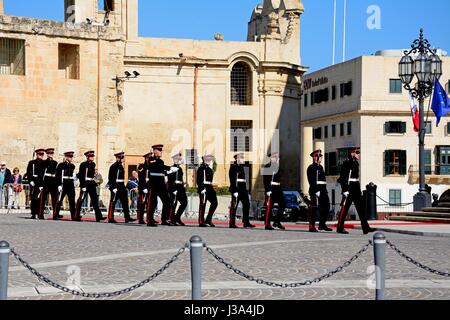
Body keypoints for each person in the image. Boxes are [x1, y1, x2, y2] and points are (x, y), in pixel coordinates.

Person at [336, 147, 375, 235]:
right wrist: (345, 190)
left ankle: (366, 228)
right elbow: (343, 177)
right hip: (349, 188)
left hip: (356, 187)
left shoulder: (356, 163)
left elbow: (355, 178)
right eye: (357, 152)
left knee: (361, 208)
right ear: (352, 153)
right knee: (345, 209)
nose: (359, 154)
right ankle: (340, 227)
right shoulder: (346, 163)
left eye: (359, 152)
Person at [147, 145, 179, 227]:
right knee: (152, 203)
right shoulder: (151, 159)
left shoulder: (161, 161)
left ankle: (164, 219)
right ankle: (150, 221)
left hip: (161, 183)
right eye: (159, 150)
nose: (161, 152)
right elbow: (157, 167)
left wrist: (168, 171)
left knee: (167, 201)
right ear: (154, 151)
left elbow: (161, 170)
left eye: (161, 150)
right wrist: (170, 168)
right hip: (153, 183)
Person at [75, 151, 105, 222]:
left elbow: (92, 175)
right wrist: (83, 185)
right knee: (81, 200)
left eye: (93, 156)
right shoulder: (83, 164)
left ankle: (99, 216)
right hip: (85, 184)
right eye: (91, 156)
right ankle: (76, 215)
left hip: (91, 184)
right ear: (87, 157)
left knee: (95, 201)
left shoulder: (93, 164)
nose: (93, 157)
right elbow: (81, 175)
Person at [307, 150, 332, 233]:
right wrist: (316, 190)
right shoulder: (311, 167)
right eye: (318, 156)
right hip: (315, 190)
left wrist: (323, 190)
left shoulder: (321, 167)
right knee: (314, 208)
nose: (320, 158)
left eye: (320, 156)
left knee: (326, 206)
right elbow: (312, 180)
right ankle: (312, 226)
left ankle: (322, 224)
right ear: (314, 157)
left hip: (323, 190)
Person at [107, 152, 135, 224]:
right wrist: (113, 187)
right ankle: (110, 217)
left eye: (123, 158)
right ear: (117, 158)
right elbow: (111, 178)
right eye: (121, 158)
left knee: (125, 202)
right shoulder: (113, 166)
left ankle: (127, 217)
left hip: (122, 186)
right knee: (113, 202)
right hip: (116, 186)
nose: (123, 159)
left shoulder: (121, 166)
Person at [229, 153, 254, 229]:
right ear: (237, 159)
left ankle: (246, 222)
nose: (243, 159)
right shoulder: (233, 167)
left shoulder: (241, 167)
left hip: (243, 189)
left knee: (247, 204)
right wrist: (235, 190)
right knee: (234, 206)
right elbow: (233, 179)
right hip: (237, 189)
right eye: (242, 158)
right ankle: (232, 223)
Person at [263, 152, 286, 231]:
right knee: (269, 207)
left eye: (277, 157)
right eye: (275, 157)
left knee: (283, 204)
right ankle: (267, 224)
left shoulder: (277, 166)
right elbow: (266, 180)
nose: (276, 158)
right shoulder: (267, 167)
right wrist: (268, 190)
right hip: (271, 188)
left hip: (278, 188)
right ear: (271, 158)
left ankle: (277, 221)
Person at [54, 151, 77, 220]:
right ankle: (56, 214)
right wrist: (59, 185)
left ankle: (73, 216)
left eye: (71, 157)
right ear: (66, 157)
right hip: (63, 183)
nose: (71, 158)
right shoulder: (61, 165)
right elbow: (58, 175)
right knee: (59, 200)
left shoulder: (72, 166)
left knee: (72, 200)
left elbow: (72, 176)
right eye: (70, 157)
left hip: (70, 184)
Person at [197, 154, 218, 228]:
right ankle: (201, 221)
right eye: (207, 159)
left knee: (215, 203)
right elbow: (198, 180)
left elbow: (210, 180)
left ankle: (208, 219)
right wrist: (202, 188)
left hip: (209, 188)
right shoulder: (201, 168)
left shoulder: (209, 169)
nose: (209, 160)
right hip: (203, 188)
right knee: (203, 204)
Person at [167, 152, 188, 226]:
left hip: (180, 187)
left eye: (179, 158)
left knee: (184, 202)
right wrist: (172, 190)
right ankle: (171, 219)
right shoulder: (171, 168)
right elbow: (170, 180)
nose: (179, 160)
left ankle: (177, 217)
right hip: (174, 187)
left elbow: (180, 179)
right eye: (177, 159)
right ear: (174, 159)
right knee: (173, 204)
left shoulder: (180, 169)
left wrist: (183, 185)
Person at [26, 149, 46, 219]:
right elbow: (29, 172)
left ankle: (40, 213)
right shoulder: (32, 162)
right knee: (34, 198)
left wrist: (43, 184)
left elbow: (44, 174)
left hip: (41, 182)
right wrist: (30, 180)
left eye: (42, 154)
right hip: (34, 181)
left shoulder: (44, 163)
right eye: (40, 154)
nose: (41, 156)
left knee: (40, 199)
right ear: (37, 155)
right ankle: (33, 213)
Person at [39, 148, 58, 218]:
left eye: (52, 153)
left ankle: (55, 214)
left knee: (54, 199)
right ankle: (41, 214)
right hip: (46, 181)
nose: (51, 155)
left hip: (53, 181)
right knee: (43, 198)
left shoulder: (55, 163)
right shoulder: (43, 162)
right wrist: (40, 184)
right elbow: (41, 174)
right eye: (49, 153)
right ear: (47, 154)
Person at [137, 152, 153, 225]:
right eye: (149, 158)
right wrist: (143, 187)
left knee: (150, 204)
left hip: (149, 186)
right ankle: (140, 219)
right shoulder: (142, 166)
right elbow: (141, 178)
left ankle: (149, 218)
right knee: (142, 203)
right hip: (143, 187)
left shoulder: (151, 166)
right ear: (146, 158)